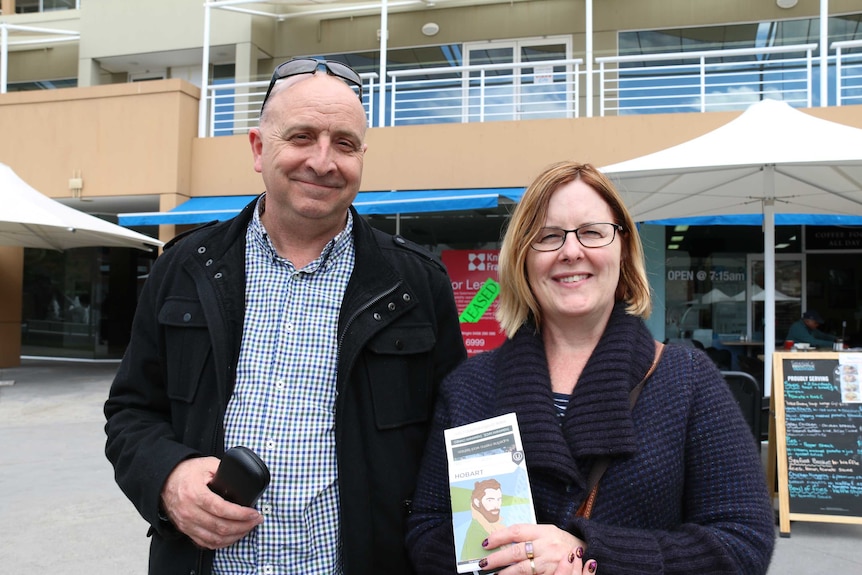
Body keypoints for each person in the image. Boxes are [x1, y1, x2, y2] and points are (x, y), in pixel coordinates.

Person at [104, 58, 467, 575]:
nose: (323, 161)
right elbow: (131, 413)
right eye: (301, 136)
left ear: (362, 156)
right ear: (258, 148)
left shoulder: (417, 283)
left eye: (344, 143)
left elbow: (451, 438)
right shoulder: (183, 267)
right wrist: (168, 476)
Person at [406, 162, 775, 575]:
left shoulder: (687, 380)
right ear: (522, 258)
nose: (570, 251)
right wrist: (505, 561)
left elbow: (743, 544)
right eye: (548, 236)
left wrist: (588, 554)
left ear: (623, 247)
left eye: (592, 232)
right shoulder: (468, 387)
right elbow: (427, 529)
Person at [461, 479, 506, 562]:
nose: (496, 505)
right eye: (490, 500)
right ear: (477, 502)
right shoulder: (476, 531)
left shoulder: (496, 526)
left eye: (499, 499)